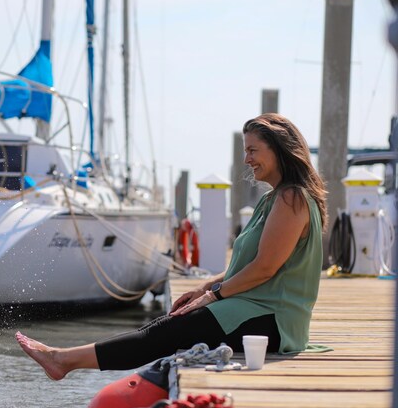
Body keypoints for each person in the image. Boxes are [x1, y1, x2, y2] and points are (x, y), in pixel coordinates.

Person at [16, 113, 328, 380]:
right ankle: (65, 360)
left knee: (165, 333)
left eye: (253, 150)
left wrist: (213, 295)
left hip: (273, 319)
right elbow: (247, 264)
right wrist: (205, 287)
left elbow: (265, 268)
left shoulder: (292, 198)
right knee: (168, 324)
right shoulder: (273, 199)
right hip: (255, 307)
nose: (247, 160)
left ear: (280, 150)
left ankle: (63, 361)